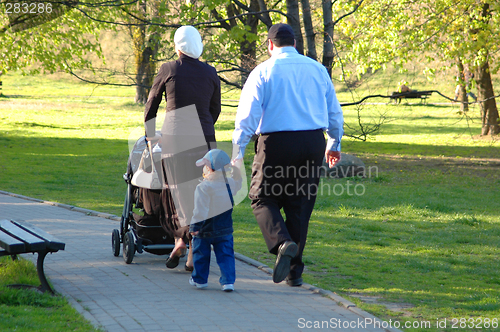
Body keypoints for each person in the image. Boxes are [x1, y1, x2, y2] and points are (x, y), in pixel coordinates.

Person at [232, 23, 344, 287]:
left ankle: (283, 243)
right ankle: (295, 272)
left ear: (270, 45)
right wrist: (334, 142)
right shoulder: (317, 69)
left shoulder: (263, 71)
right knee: (300, 205)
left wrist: (238, 151)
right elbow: (333, 111)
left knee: (261, 197)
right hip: (312, 142)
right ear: (295, 43)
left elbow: (248, 117)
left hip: (276, 143)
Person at [143, 25, 221, 271]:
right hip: (206, 142)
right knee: (201, 195)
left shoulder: (169, 69)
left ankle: (183, 244)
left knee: (176, 194)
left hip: (176, 140)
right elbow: (215, 109)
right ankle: (185, 248)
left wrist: (151, 136)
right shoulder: (210, 72)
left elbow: (151, 106)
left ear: (178, 46)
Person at [188, 149, 242, 292]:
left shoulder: (203, 187)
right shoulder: (230, 183)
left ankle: (200, 280)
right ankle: (228, 281)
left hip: (204, 230)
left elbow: (201, 210)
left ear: (209, 169)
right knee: (226, 255)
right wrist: (237, 172)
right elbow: (238, 184)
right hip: (225, 228)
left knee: (201, 254)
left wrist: (194, 226)